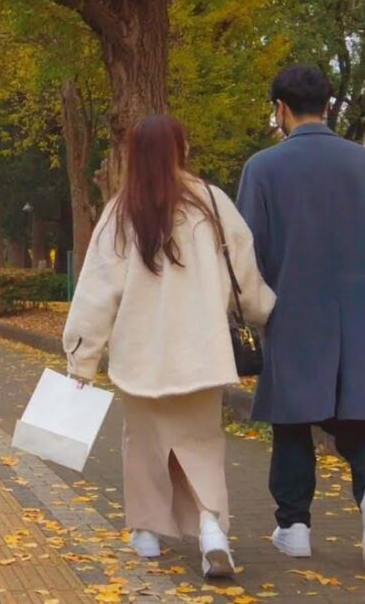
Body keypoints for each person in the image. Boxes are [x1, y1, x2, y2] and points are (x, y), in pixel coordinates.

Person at [63, 116, 275, 579]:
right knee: (201, 443)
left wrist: (82, 357)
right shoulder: (212, 204)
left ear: (131, 155)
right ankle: (211, 529)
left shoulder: (121, 213)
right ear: (182, 148)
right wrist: (264, 311)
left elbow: (97, 291)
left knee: (144, 444)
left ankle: (146, 531)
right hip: (202, 350)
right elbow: (243, 273)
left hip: (138, 356)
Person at [236, 64, 365, 569]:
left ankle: (293, 526)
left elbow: (248, 251)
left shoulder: (263, 168)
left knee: (292, 421)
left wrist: (250, 310)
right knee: (356, 419)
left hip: (293, 313)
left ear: (280, 109)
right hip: (362, 315)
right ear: (328, 106)